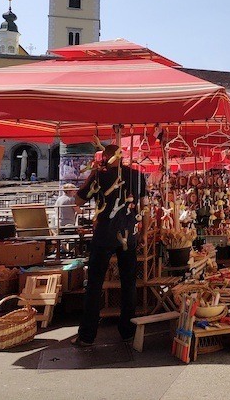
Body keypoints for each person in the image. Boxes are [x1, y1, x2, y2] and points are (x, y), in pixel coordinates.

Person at [71, 144, 148, 347]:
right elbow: (145, 207)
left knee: (95, 283)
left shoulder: (99, 175)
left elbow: (78, 200)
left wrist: (95, 177)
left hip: (105, 234)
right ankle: (127, 331)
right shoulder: (137, 176)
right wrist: (144, 232)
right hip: (128, 233)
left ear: (105, 158)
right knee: (128, 282)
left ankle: (87, 335)